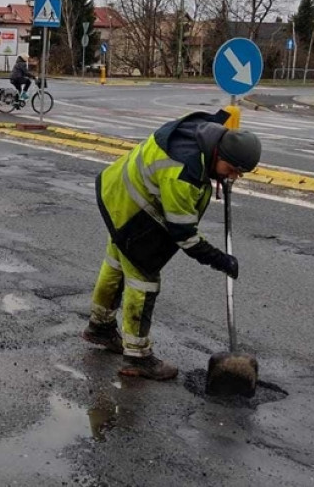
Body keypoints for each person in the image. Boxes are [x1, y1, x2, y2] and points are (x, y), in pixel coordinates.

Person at [82, 109, 261, 380]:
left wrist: (222, 176)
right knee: (144, 280)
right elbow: (184, 236)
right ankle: (137, 357)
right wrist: (220, 260)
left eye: (239, 174)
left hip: (118, 191)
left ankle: (100, 327)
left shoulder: (206, 135)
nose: (233, 177)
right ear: (219, 155)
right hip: (131, 208)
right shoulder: (183, 173)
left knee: (116, 264)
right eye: (232, 170)